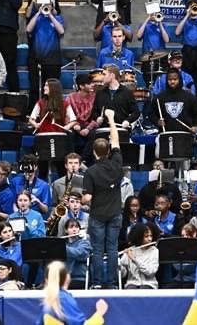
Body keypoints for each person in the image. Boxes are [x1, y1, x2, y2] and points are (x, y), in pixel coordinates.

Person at [82, 108, 123, 289]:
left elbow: (88, 197)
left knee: (98, 251)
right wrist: (112, 120)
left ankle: (97, 283)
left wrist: (81, 199)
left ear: (94, 152)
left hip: (98, 215)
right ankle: (113, 284)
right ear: (108, 150)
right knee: (112, 249)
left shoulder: (91, 171)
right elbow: (115, 140)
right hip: (115, 213)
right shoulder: (116, 163)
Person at [36, 260, 108, 324]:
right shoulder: (65, 300)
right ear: (67, 278)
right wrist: (99, 314)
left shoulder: (46, 302)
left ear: (46, 279)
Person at [26, 0, 65, 110]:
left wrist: (51, 15)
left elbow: (61, 31)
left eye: (48, 5)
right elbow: (28, 29)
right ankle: (33, 112)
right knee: (35, 88)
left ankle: (52, 111)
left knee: (52, 89)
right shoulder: (37, 18)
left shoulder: (57, 18)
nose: (46, 6)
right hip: (37, 59)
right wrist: (39, 12)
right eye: (44, 5)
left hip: (53, 60)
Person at [150, 68, 197, 134]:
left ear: (179, 79)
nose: (172, 82)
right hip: (165, 134)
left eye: (175, 79)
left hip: (185, 134)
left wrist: (196, 126)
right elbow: (151, 114)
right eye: (170, 80)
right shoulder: (159, 98)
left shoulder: (189, 96)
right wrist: (157, 121)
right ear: (167, 80)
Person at [90, 64, 140, 131]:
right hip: (104, 129)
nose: (102, 77)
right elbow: (94, 112)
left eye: (104, 74)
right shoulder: (100, 93)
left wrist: (128, 121)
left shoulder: (126, 92)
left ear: (112, 75)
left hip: (121, 129)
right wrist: (97, 118)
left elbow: (136, 112)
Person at [119, 223, 159, 289]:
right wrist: (118, 263)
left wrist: (134, 259)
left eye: (151, 236)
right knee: (130, 290)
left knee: (144, 289)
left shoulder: (154, 251)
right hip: (132, 283)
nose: (149, 239)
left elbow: (150, 272)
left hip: (149, 284)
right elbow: (123, 275)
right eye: (146, 236)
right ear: (139, 237)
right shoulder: (131, 250)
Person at [67, 75, 97, 153]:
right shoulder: (70, 97)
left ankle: (84, 159)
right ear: (81, 86)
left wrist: (88, 128)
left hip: (89, 125)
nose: (92, 85)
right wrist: (74, 125)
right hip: (75, 124)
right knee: (69, 133)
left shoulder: (95, 97)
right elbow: (67, 115)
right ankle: (71, 157)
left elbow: (97, 116)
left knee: (95, 134)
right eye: (89, 84)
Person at [63, 218, 91, 290]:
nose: (74, 229)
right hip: (64, 277)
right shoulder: (64, 244)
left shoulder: (85, 243)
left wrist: (62, 248)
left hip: (80, 278)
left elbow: (79, 253)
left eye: (76, 227)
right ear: (66, 230)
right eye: (71, 227)